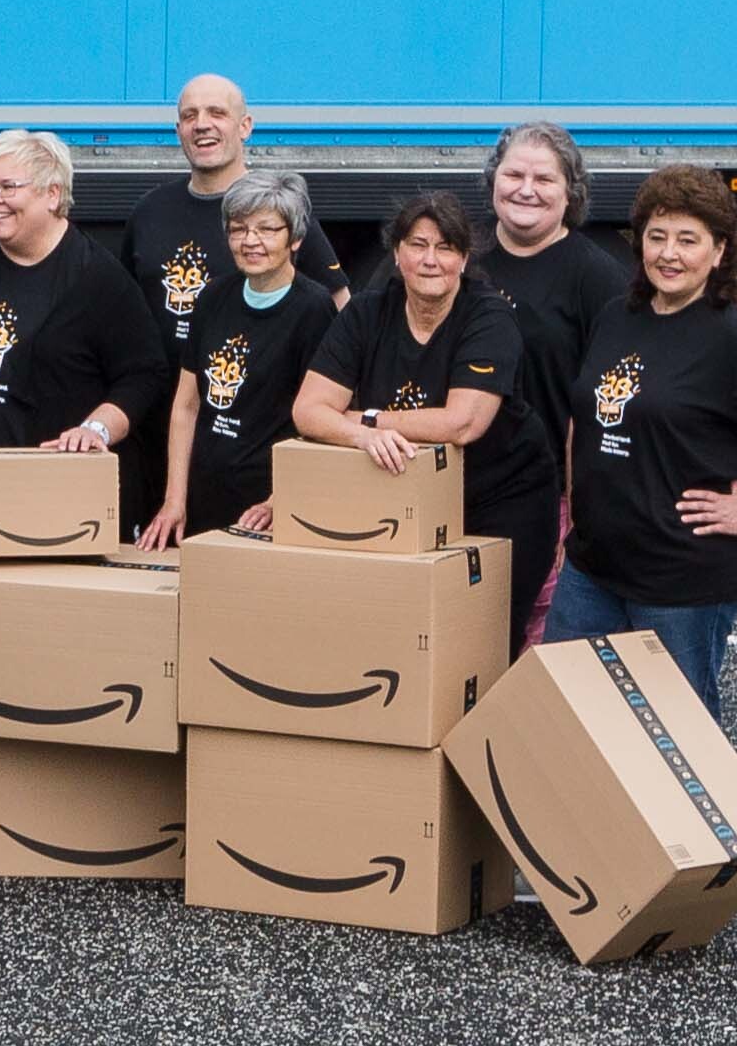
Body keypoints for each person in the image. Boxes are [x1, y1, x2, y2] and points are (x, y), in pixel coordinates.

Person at [549, 166, 737, 701]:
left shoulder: (734, 339)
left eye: (688, 240)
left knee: (674, 739)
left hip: (679, 584)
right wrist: (575, 512)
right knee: (571, 718)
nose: (669, 253)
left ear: (719, 251)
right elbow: (585, 417)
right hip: (591, 570)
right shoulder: (618, 315)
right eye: (657, 236)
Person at [297, 188, 559, 649]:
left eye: (445, 247)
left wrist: (368, 419)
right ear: (397, 253)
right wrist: (358, 438)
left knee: (484, 637)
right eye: (417, 245)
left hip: (501, 497)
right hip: (411, 496)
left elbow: (462, 424)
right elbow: (308, 410)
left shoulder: (488, 316)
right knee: (407, 635)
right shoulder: (366, 312)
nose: (430, 260)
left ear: (463, 257)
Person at [0, 129, 171, 534]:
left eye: (8, 187)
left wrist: (95, 428)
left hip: (51, 500)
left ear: (52, 194)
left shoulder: (97, 279)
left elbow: (144, 374)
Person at [148, 166, 346, 545]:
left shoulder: (314, 309)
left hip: (268, 508)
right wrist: (175, 499)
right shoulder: (211, 298)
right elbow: (186, 405)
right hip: (206, 495)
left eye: (267, 229)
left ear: (296, 238)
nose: (250, 241)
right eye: (238, 229)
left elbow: (323, 417)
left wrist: (280, 498)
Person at [475, 120, 637, 377]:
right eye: (514, 175)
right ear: (494, 179)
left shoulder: (599, 277)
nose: (526, 190)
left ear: (570, 193)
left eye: (544, 180)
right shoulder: (461, 254)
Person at [126, 75, 259, 332]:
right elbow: (122, 309)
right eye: (189, 116)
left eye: (217, 113)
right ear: (178, 132)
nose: (201, 125)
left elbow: (334, 308)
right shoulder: (149, 211)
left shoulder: (277, 210)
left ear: (245, 126)